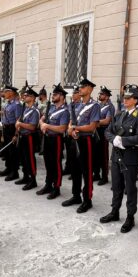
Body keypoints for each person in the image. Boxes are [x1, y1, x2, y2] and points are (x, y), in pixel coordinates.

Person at [100, 85, 138, 233]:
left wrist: (123, 141)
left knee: (130, 188)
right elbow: (108, 131)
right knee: (116, 186)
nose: (125, 100)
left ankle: (130, 217)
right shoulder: (119, 114)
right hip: (116, 155)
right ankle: (115, 211)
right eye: (124, 98)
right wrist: (114, 140)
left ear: (135, 100)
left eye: (128, 98)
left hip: (129, 157)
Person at [62, 78, 100, 213]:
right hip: (75, 140)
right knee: (75, 170)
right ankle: (76, 196)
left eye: (83, 87)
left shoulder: (94, 106)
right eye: (80, 87)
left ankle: (87, 200)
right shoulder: (76, 105)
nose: (80, 89)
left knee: (87, 171)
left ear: (90, 89)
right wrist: (70, 129)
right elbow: (71, 122)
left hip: (86, 141)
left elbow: (92, 126)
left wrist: (75, 128)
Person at [37, 83, 70, 199]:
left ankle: (57, 187)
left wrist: (47, 126)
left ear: (61, 96)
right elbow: (42, 119)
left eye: (55, 95)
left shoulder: (64, 111)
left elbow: (62, 129)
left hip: (56, 139)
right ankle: (48, 184)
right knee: (47, 162)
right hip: (47, 138)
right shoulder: (50, 108)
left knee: (56, 164)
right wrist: (42, 124)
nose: (53, 96)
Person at [15, 86, 40, 191]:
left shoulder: (35, 111)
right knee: (23, 158)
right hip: (22, 135)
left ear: (33, 98)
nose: (24, 97)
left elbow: (32, 126)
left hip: (30, 136)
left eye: (27, 95)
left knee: (30, 158)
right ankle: (25, 176)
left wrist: (20, 123)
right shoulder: (25, 109)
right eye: (24, 95)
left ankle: (33, 180)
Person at [0, 85, 23, 181]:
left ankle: (14, 172)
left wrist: (16, 134)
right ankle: (8, 168)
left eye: (6, 91)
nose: (4, 93)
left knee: (13, 152)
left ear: (11, 93)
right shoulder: (8, 103)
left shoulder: (17, 105)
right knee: (7, 151)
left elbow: (18, 120)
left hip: (12, 128)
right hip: (6, 128)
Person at [93, 85, 115, 186]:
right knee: (96, 154)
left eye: (102, 94)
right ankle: (96, 174)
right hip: (96, 131)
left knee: (103, 155)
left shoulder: (110, 106)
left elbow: (107, 120)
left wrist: (95, 122)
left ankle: (104, 176)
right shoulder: (99, 105)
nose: (100, 95)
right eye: (100, 94)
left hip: (104, 132)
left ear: (106, 96)